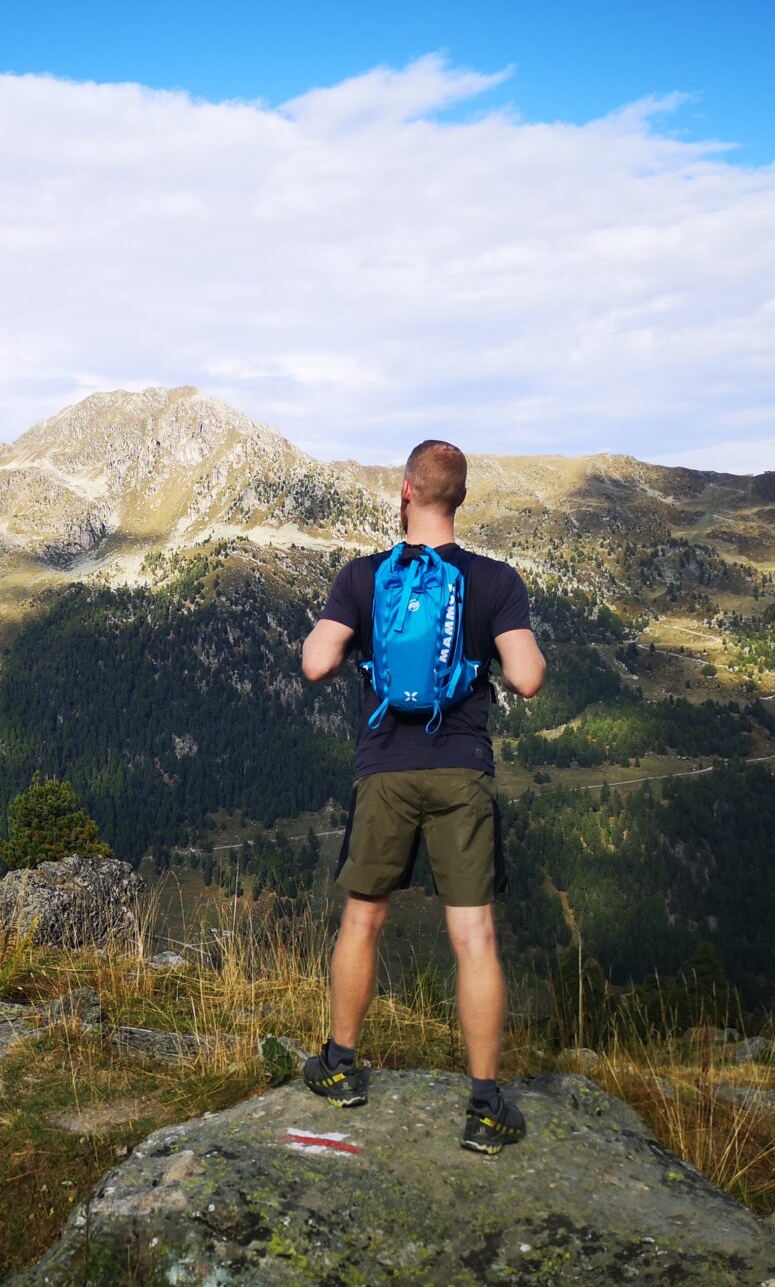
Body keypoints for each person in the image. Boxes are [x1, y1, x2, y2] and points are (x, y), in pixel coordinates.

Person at [298, 438, 546, 1155]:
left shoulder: (364, 576)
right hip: (461, 767)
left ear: (406, 491)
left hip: (385, 767)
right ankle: (486, 1107)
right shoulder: (494, 580)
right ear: (459, 497)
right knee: (473, 938)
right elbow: (527, 679)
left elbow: (316, 662)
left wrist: (359, 644)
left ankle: (340, 1068)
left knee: (362, 922)